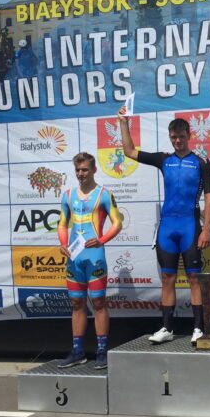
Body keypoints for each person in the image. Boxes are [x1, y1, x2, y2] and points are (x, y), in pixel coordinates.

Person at [118, 107, 210, 344]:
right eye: (174, 137)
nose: (177, 141)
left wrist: (206, 229)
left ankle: (198, 329)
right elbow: (129, 152)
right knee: (168, 278)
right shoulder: (164, 160)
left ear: (189, 135)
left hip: (190, 226)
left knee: (194, 278)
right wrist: (123, 123)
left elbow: (209, 198)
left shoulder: (201, 163)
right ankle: (167, 328)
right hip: (168, 227)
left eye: (181, 136)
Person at [57, 152, 122, 369]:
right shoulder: (67, 195)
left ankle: (102, 351)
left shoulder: (104, 194)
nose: (80, 174)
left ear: (94, 170)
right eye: (77, 170)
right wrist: (63, 243)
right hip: (74, 257)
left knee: (98, 302)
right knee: (77, 303)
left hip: (94, 256)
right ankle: (78, 351)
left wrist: (101, 240)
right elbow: (62, 224)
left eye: (84, 169)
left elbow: (117, 223)